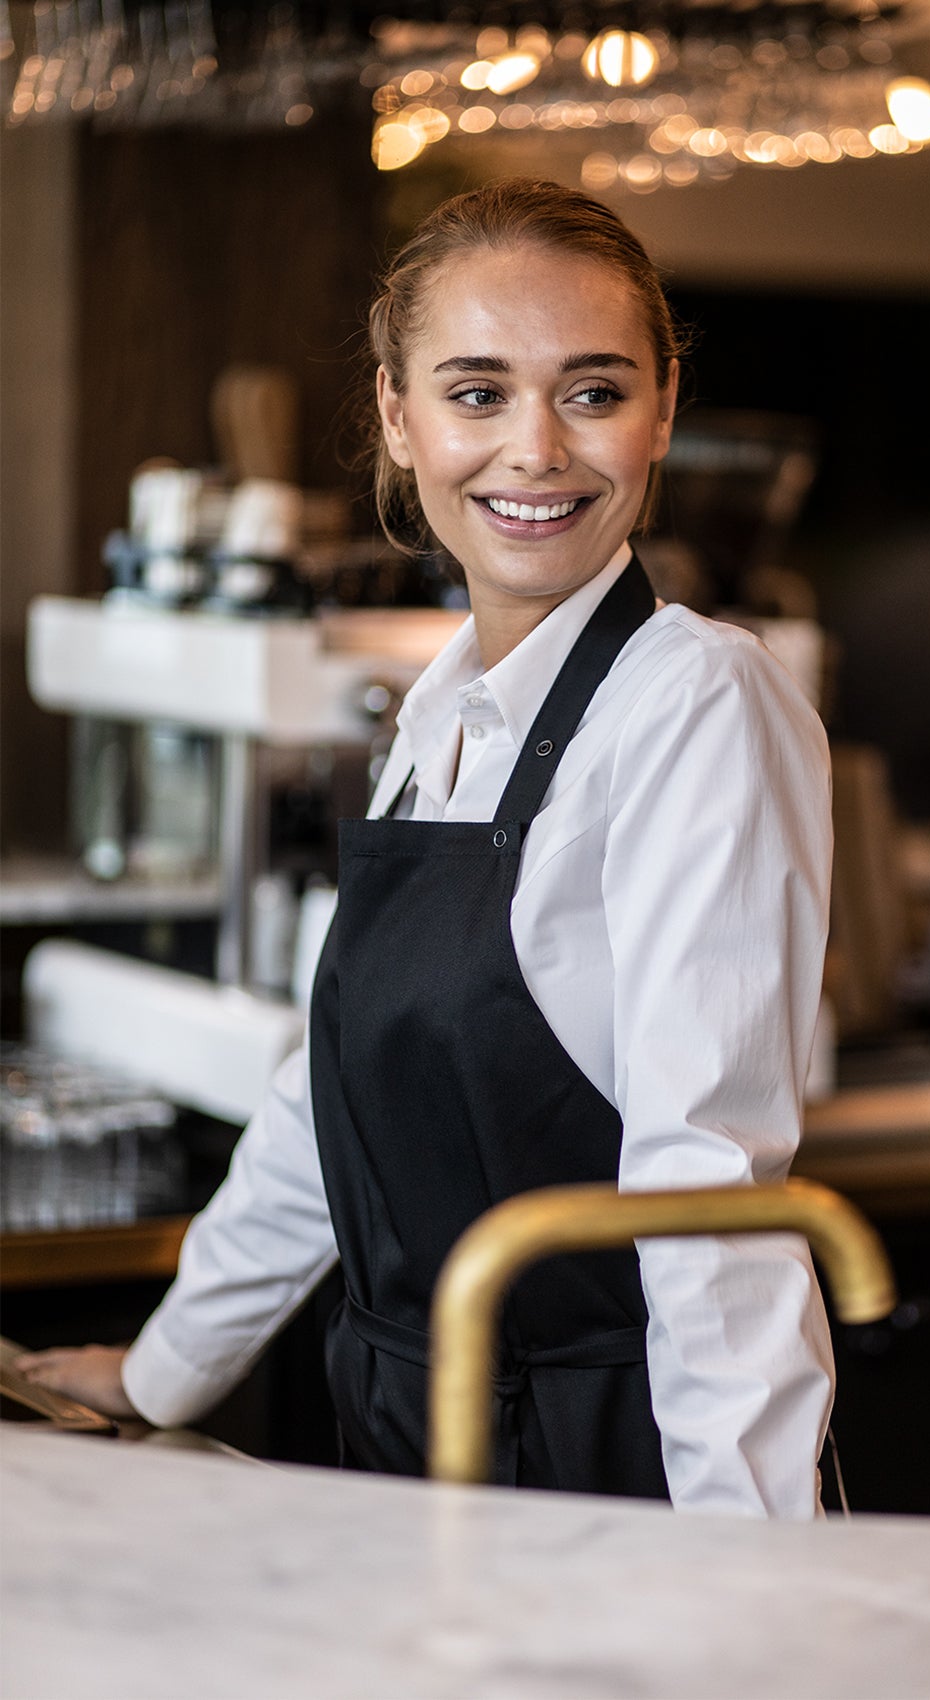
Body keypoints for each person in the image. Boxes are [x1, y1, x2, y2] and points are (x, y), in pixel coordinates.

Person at [19, 178, 835, 1517]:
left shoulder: (697, 702)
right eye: (475, 393)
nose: (536, 450)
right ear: (398, 419)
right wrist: (164, 1372)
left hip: (615, 1483)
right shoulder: (443, 713)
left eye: (592, 391)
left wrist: (748, 1588)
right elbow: (321, 1110)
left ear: (663, 409)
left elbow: (706, 1201)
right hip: (421, 1461)